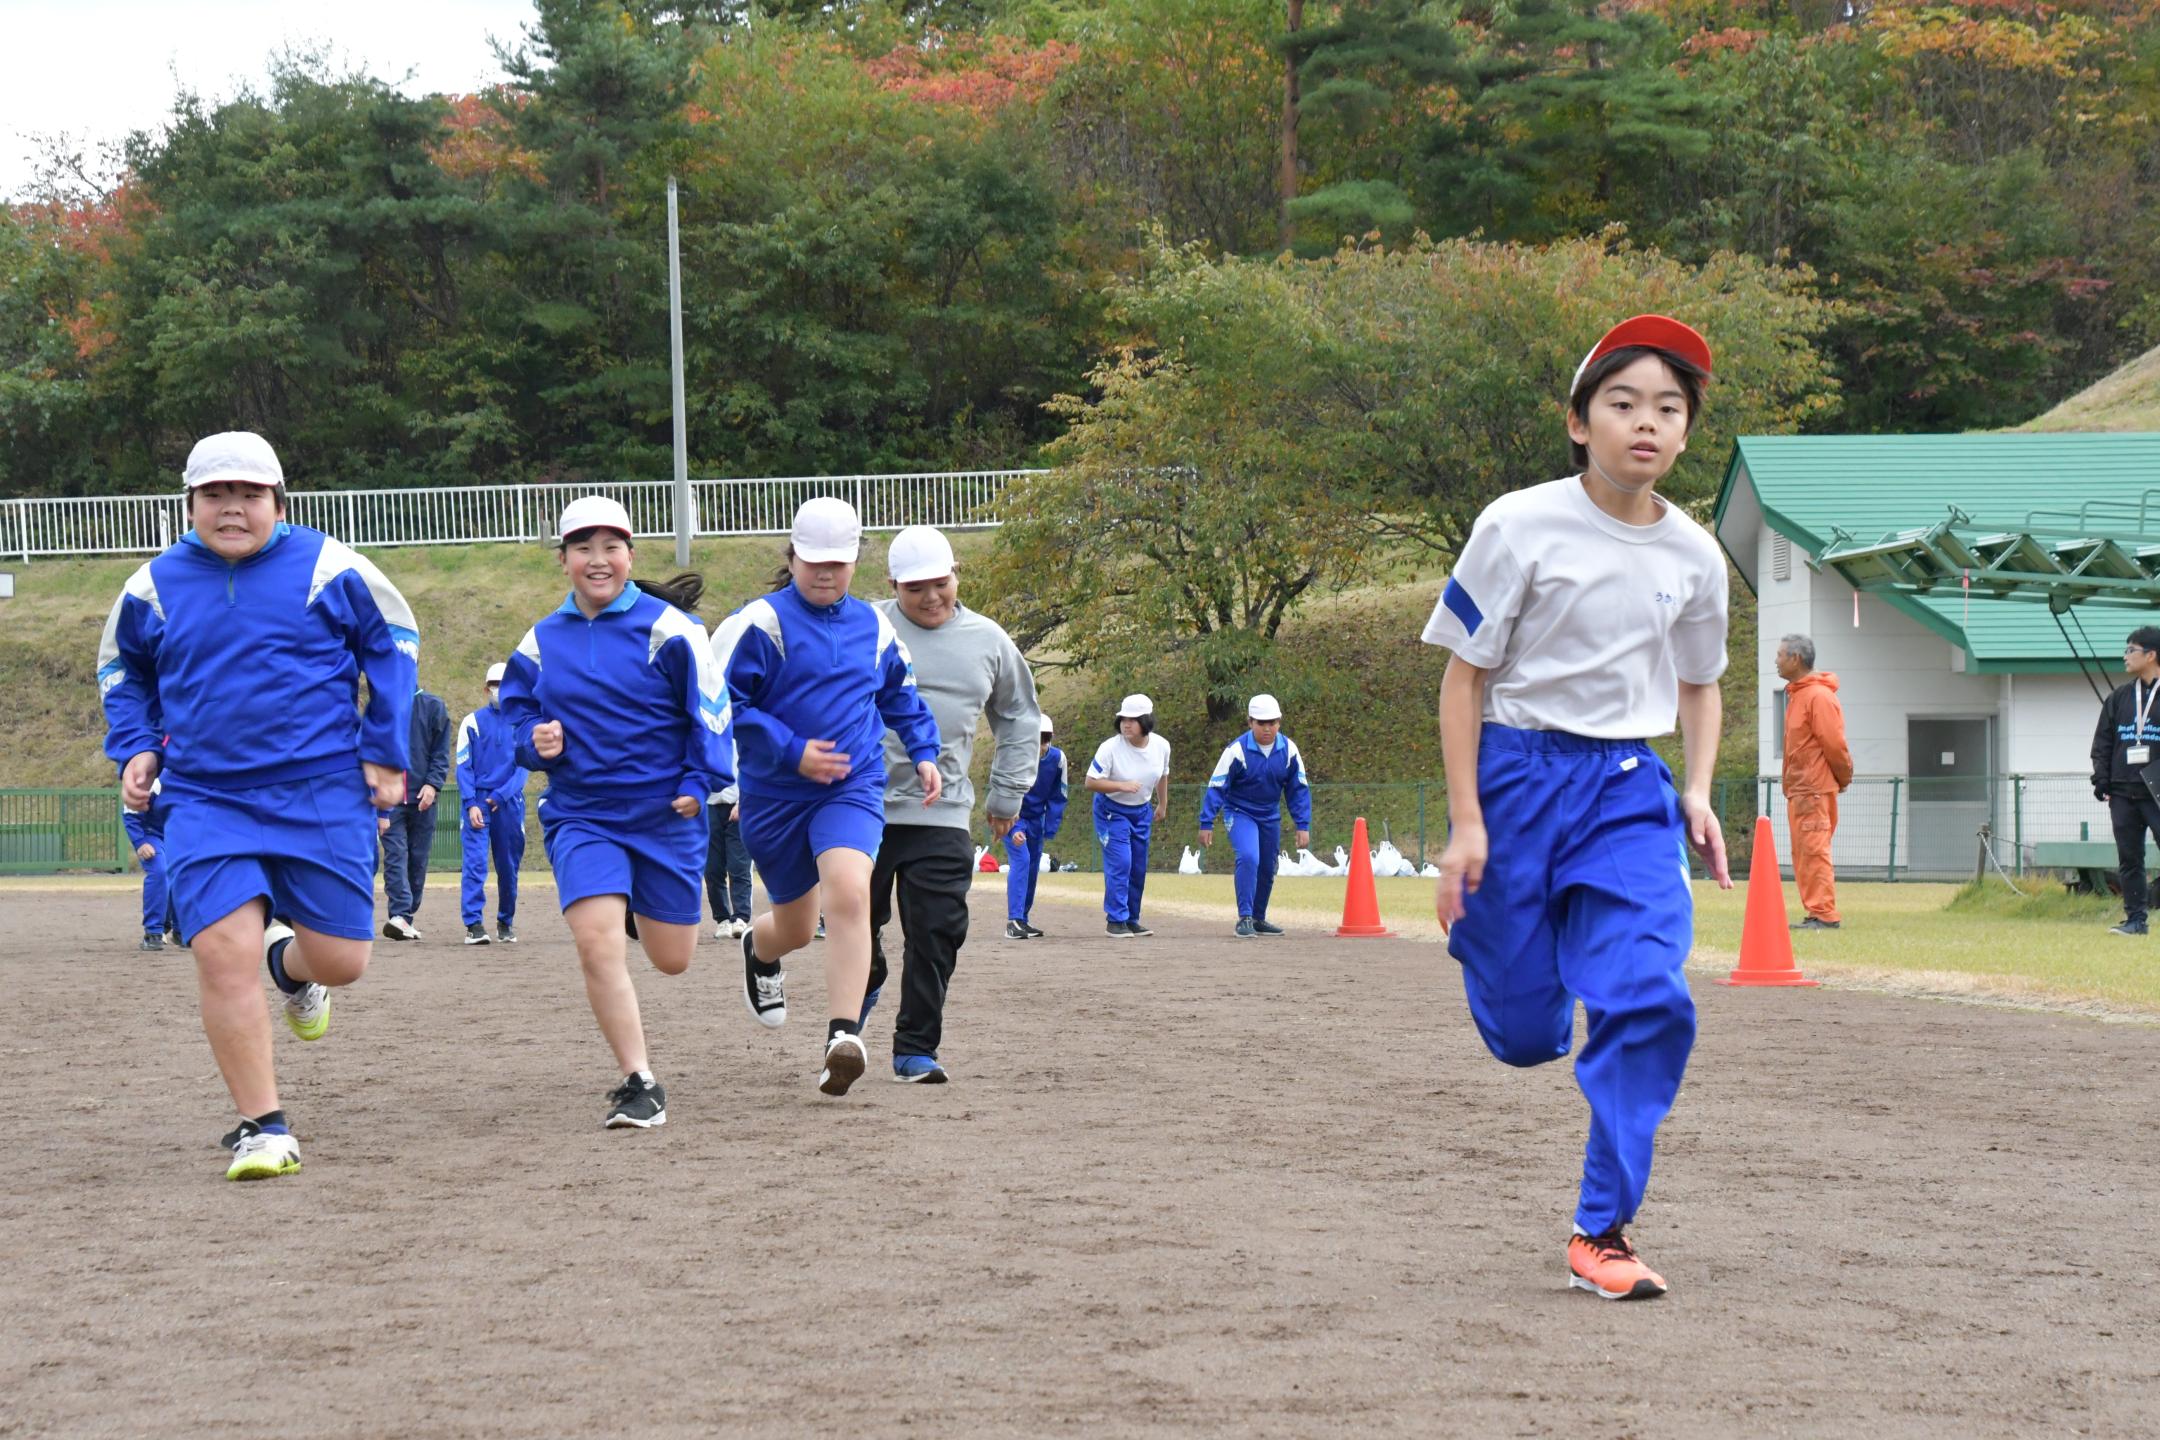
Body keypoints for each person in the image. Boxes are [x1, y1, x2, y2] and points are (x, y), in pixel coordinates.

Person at [1423, 314, 1732, 1301]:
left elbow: (1701, 682)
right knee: (1523, 1035)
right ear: (1578, 419)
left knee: (1650, 993)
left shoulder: (1695, 556)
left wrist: (1694, 785)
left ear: (1686, 434)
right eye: (1624, 402)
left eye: (1669, 409)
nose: (1646, 423)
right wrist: (1468, 824)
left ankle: (1602, 1227)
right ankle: (1513, 946)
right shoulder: (1516, 525)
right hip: (1516, 775)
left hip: (1625, 789)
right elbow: (1463, 681)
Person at [98, 430, 417, 1181]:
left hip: (321, 788)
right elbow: (122, 669)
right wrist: (137, 744)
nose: (232, 509)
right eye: (215, 495)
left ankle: (292, 968)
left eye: (249, 494)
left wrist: (384, 746)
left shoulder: (329, 567)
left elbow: (395, 640)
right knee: (218, 949)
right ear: (190, 504)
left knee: (342, 961)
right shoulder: (152, 585)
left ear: (278, 501)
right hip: (207, 794)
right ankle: (262, 1125)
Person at [499, 496, 728, 1129]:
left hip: (665, 814)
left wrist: (700, 778)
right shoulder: (541, 638)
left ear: (630, 555)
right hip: (583, 813)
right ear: (564, 559)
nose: (597, 560)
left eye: (610, 547)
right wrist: (532, 740)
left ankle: (632, 903)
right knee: (596, 944)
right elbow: (514, 714)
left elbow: (711, 711)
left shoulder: (671, 629)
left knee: (672, 957)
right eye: (582, 548)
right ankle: (639, 1081)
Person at [712, 497, 942, 1097]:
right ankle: (759, 951)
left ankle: (843, 1037)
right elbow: (720, 706)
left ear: (855, 562)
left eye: (837, 564)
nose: (824, 574)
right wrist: (791, 750)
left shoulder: (874, 626)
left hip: (853, 785)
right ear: (792, 557)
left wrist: (922, 750)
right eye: (813, 562)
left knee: (848, 892)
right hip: (775, 797)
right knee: (791, 924)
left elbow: (902, 696)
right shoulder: (759, 624)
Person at [864, 525, 1042, 1083]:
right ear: (892, 584)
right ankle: (862, 984)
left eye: (940, 584)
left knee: (938, 928)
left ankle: (915, 1047)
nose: (931, 597)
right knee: (854, 927)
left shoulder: (987, 640)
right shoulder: (861, 625)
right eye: (915, 588)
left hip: (941, 808)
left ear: (955, 574)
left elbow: (1018, 717)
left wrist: (1007, 790)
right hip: (857, 805)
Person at [1196, 693, 1314, 938]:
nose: (1267, 728)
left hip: (1269, 815)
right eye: (1261, 723)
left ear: (1279, 722)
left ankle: (1259, 918)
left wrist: (1302, 824)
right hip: (1240, 812)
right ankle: (1245, 917)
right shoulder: (1237, 750)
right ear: (1250, 722)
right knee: (1249, 857)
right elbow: (1217, 785)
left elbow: (1298, 789)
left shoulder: (1289, 750)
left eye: (1272, 722)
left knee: (1269, 865)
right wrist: (1206, 822)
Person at [1776, 634, 1852, 931]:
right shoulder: (1799, 695)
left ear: (1795, 658)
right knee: (1805, 852)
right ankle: (1815, 911)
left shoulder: (1817, 697)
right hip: (1802, 789)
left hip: (1814, 790)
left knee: (1814, 850)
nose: (1777, 660)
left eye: (1781, 655)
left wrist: (1842, 777)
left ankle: (1823, 914)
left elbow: (1834, 744)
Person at [2090, 625, 2160, 937]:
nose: (2125, 656)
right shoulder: (2119, 697)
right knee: (2130, 859)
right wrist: (2102, 779)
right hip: (2122, 791)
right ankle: (2135, 921)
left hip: (2156, 791)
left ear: (2151, 654)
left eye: (2131, 650)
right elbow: (2103, 741)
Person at [1086, 695, 1171, 938]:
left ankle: (1132, 919)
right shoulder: (1110, 748)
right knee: (1121, 862)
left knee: (1137, 867)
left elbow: (1163, 776)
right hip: (1111, 811)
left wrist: (1162, 805)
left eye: (1133, 720)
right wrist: (1120, 786)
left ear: (1146, 721)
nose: (1126, 724)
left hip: (1142, 811)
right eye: (1123, 719)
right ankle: (1115, 920)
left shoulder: (1161, 746)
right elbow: (1090, 782)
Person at [456, 662, 528, 945]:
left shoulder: (522, 724)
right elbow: (464, 766)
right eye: (494, 684)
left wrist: (501, 796)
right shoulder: (471, 722)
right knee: (474, 864)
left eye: (504, 683)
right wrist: (471, 802)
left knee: (508, 866)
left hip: (508, 803)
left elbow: (523, 769)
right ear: (487, 688)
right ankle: (473, 924)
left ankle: (505, 921)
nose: (499, 689)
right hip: (478, 803)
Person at [379, 681, 450, 941]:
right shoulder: (381, 707)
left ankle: (406, 917)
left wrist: (432, 784)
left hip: (423, 800)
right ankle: (398, 914)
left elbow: (440, 753)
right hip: (391, 800)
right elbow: (373, 753)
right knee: (396, 855)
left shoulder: (433, 706)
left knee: (418, 861)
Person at [1005, 715, 1068, 939]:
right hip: (1013, 816)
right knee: (1021, 862)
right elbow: (1005, 793)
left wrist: (1049, 825)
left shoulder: (1058, 758)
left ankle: (1023, 919)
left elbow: (1058, 794)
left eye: (1044, 740)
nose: (1040, 746)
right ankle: (1013, 921)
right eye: (1035, 740)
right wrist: (1013, 828)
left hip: (1036, 821)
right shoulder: (1015, 758)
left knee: (1032, 869)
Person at [122, 778, 178, 950]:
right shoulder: (153, 780)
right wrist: (140, 841)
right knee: (159, 871)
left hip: (176, 835)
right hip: (150, 834)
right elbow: (130, 812)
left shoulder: (195, 779)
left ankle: (182, 929)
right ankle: (153, 932)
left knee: (185, 872)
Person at [706, 780, 754, 940]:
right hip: (709, 805)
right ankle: (722, 920)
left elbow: (751, 769)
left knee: (739, 866)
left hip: (739, 805)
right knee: (712, 869)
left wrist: (743, 801)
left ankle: (740, 918)